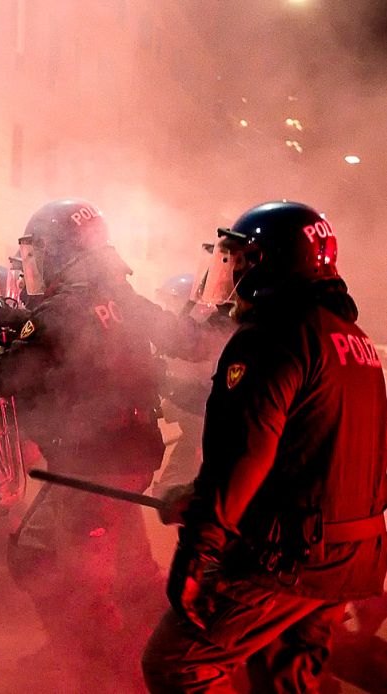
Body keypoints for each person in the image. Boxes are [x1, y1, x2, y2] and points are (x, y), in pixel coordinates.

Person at [142, 201, 387, 692]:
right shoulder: (352, 339)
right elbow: (316, 454)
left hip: (289, 558)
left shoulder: (270, 338)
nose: (228, 273)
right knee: (287, 683)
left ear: (264, 262)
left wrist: (197, 550)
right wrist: (199, 493)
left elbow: (245, 455)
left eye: (236, 259)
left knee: (177, 664)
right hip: (348, 553)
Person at [0, 199, 211, 683]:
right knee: (127, 568)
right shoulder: (122, 295)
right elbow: (189, 340)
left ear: (61, 252)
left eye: (38, 252)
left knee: (74, 577)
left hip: (91, 462)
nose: (33, 264)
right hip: (126, 451)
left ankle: (103, 669)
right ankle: (142, 647)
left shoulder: (62, 311)